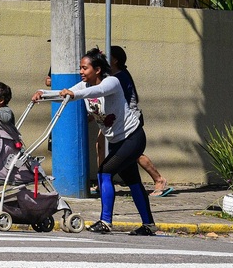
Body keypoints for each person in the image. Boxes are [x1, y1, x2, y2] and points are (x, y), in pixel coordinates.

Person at [33, 48, 157, 236]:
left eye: (85, 68)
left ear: (97, 70)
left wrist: (74, 94)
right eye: (80, 68)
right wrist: (43, 94)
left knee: (104, 172)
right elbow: (64, 94)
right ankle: (149, 225)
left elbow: (97, 91)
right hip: (116, 140)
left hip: (132, 137)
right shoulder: (83, 86)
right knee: (132, 180)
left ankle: (105, 222)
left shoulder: (112, 82)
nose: (81, 72)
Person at [110, 46, 172, 197]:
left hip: (129, 119)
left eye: (107, 56)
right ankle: (105, 182)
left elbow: (122, 101)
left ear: (115, 60)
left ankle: (159, 179)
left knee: (134, 153)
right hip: (120, 119)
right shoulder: (115, 75)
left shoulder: (120, 77)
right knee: (108, 148)